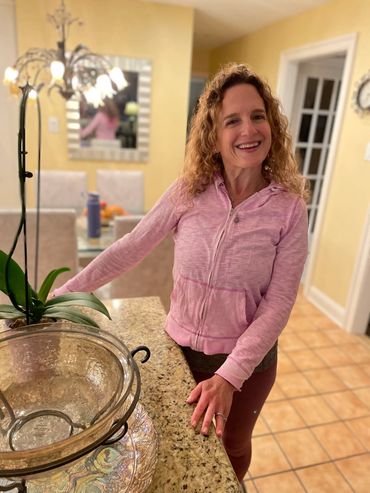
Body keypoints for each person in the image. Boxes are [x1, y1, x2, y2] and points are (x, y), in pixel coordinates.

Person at [53, 63, 309, 485]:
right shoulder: (189, 190)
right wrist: (64, 294)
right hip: (181, 351)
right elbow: (129, 248)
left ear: (272, 125)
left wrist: (230, 375)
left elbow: (279, 302)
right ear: (213, 134)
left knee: (231, 448)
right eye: (232, 120)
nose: (248, 129)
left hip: (246, 364)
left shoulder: (288, 209)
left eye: (258, 116)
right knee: (174, 447)